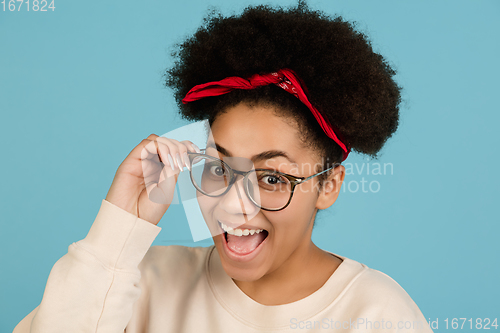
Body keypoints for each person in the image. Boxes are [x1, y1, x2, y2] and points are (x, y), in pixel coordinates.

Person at [13, 2, 433, 332]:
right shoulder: (141, 282)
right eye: (218, 169)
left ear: (329, 185)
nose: (233, 207)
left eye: (271, 178)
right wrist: (119, 230)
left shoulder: (376, 313)